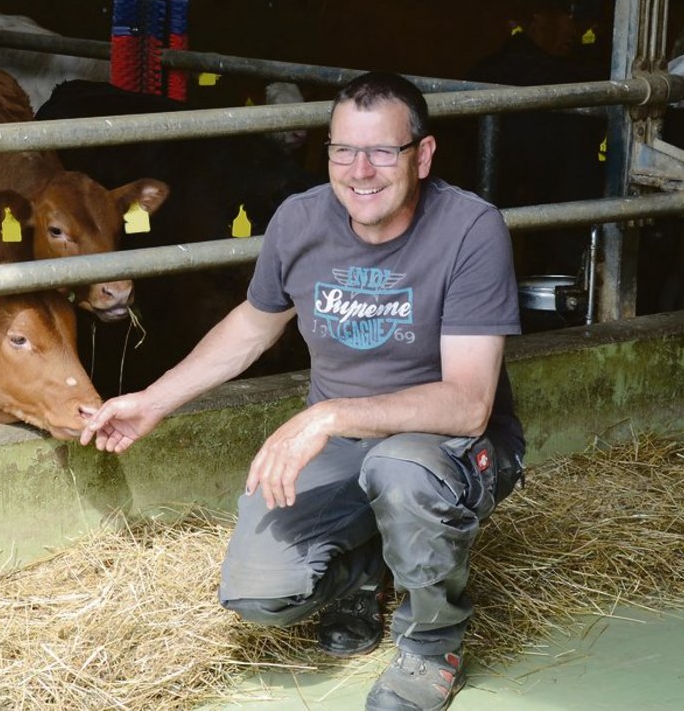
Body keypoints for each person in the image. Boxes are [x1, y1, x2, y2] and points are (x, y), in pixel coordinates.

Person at [79, 71, 524, 711]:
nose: (360, 170)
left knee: (402, 471)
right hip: (346, 442)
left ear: (422, 156)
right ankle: (364, 573)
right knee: (259, 594)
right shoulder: (300, 219)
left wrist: (328, 414)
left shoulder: (469, 229)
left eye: (383, 151)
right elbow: (252, 328)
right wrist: (152, 401)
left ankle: (432, 645)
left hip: (443, 445)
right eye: (344, 149)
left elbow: (467, 402)